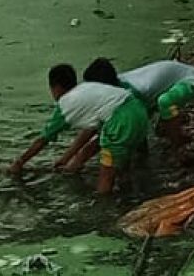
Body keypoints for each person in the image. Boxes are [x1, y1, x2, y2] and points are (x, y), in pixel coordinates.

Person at [8, 64, 148, 195]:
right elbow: (93, 133)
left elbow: (42, 140)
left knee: (106, 178)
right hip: (139, 110)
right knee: (121, 166)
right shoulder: (86, 89)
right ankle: (128, 197)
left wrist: (20, 162)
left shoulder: (65, 105)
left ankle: (104, 211)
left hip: (121, 122)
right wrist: (68, 159)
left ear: (55, 87)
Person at [84, 57, 194, 148]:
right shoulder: (116, 86)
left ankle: (178, 144)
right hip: (170, 81)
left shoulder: (131, 93)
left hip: (190, 80)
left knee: (165, 102)